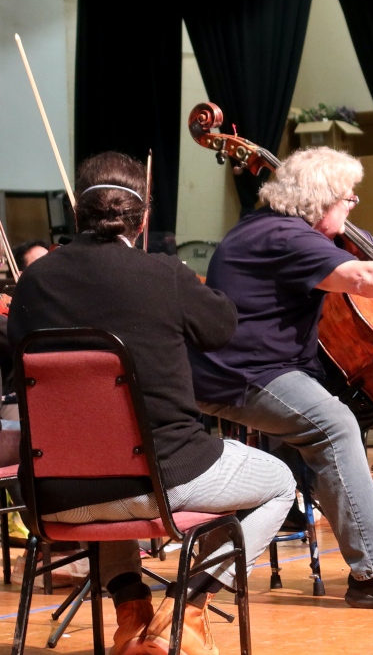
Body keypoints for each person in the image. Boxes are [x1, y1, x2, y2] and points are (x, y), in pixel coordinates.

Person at [6, 152, 295, 655]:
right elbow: (222, 327)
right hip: (165, 479)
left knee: (101, 455)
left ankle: (131, 610)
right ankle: (189, 605)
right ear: (141, 221)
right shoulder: (163, 274)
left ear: (78, 215)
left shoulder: (34, 281)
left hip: (56, 495)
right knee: (281, 485)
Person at [189, 146, 373, 612]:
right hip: (243, 376)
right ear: (322, 198)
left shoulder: (281, 227)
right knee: (334, 423)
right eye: (348, 198)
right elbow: (364, 275)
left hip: (268, 369)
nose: (353, 206)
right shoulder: (284, 236)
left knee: (352, 410)